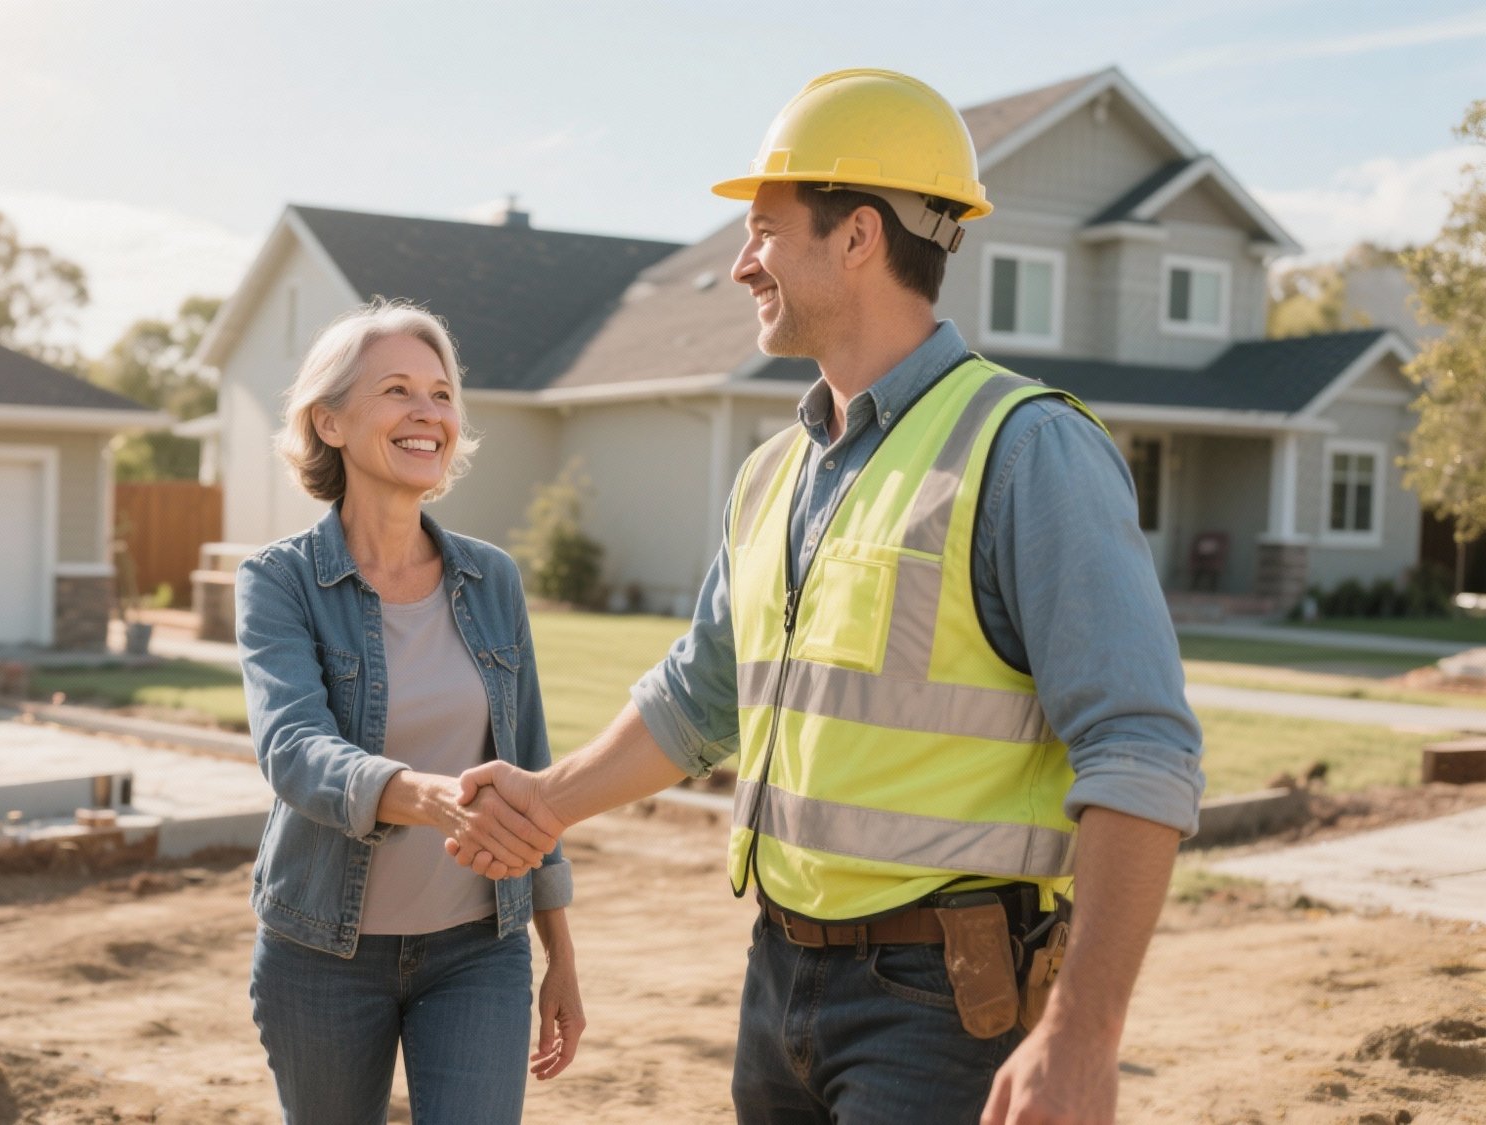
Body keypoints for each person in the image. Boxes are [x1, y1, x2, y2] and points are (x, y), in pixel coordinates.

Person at [448, 69, 1205, 1124]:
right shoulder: (774, 474)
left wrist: (1082, 1034)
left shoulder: (1026, 450)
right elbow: (702, 695)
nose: (737, 266)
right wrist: (548, 799)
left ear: (856, 236)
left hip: (946, 1007)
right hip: (779, 979)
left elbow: (1140, 750)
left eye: (760, 232)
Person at [235, 300, 582, 1125]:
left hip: (478, 949)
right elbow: (293, 748)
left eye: (441, 393)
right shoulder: (279, 582)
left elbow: (530, 764)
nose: (429, 413)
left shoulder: (490, 578)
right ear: (330, 420)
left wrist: (559, 948)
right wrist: (422, 795)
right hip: (321, 950)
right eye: (397, 390)